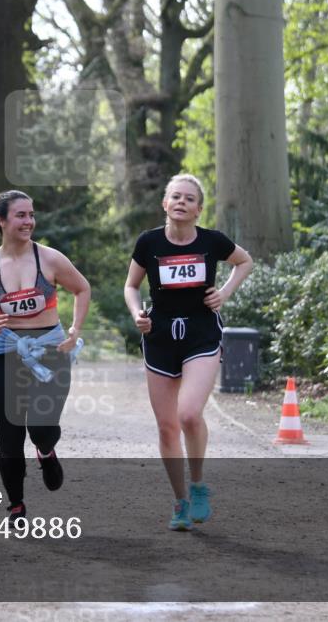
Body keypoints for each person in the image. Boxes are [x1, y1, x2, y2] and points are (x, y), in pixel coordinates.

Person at [124, 174, 253, 530]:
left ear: (198, 209)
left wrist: (224, 293)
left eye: (189, 198)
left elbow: (245, 261)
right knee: (167, 428)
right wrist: (137, 314)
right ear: (165, 204)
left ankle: (197, 485)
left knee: (190, 415)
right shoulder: (149, 242)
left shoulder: (212, 241)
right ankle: (180, 502)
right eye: (176, 196)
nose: (181, 202)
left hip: (200, 334)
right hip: (160, 337)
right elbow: (131, 285)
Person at [0, 190, 91, 526]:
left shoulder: (50, 259)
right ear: (1, 220)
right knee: (10, 436)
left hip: (50, 351)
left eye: (31, 215)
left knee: (41, 427)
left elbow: (82, 288)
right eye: (21, 215)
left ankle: (46, 450)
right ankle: (16, 505)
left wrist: (75, 329)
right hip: (7, 352)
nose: (29, 221)